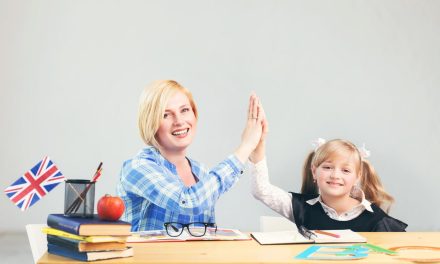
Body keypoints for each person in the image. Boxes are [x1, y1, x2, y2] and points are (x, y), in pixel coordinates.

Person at [116, 80, 264, 231]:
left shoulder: (201, 171)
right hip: (149, 255)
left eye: (185, 110)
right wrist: (245, 147)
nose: (179, 121)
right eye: (166, 115)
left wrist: (256, 147)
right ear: (150, 123)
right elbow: (189, 202)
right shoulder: (138, 167)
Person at [250, 112, 407, 231]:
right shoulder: (301, 208)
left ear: (357, 176)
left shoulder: (377, 220)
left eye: (345, 170)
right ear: (314, 171)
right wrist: (258, 147)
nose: (335, 175)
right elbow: (261, 190)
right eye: (327, 167)